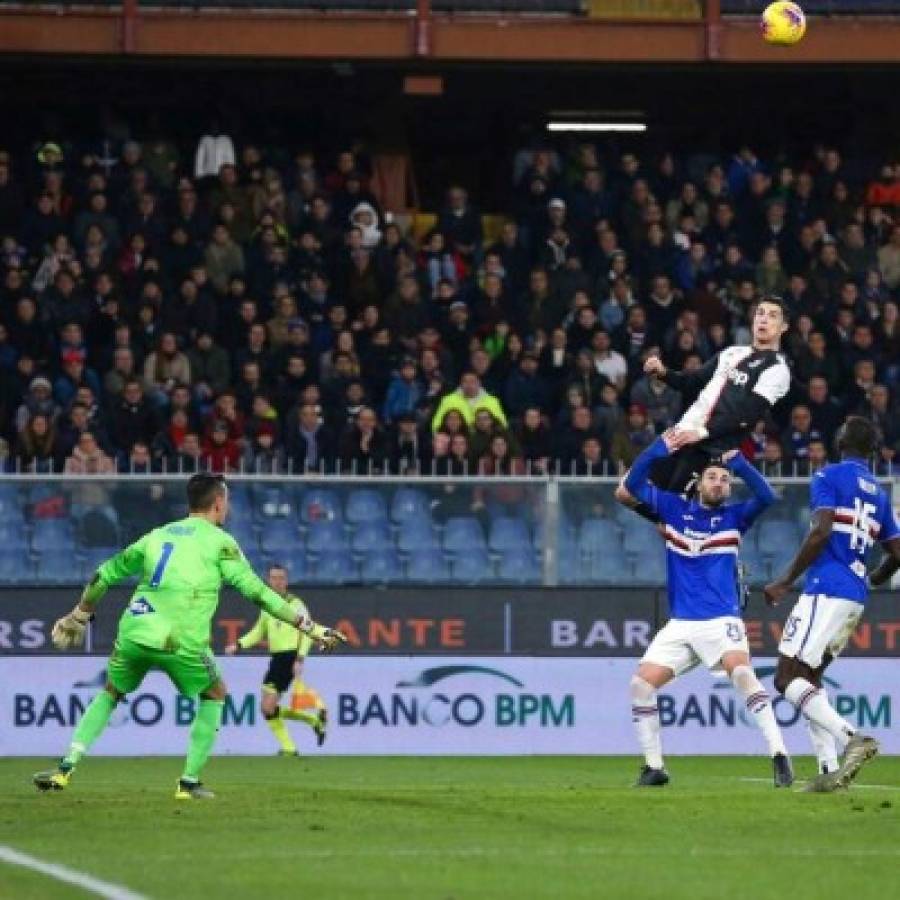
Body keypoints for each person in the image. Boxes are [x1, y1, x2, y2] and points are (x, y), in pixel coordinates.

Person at [34, 473, 346, 800]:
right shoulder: (220, 542)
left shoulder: (158, 535)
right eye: (226, 503)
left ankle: (65, 767)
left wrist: (80, 614)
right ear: (218, 503)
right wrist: (311, 628)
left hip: (135, 630)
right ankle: (189, 782)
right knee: (215, 693)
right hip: (179, 638)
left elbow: (103, 575)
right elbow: (259, 594)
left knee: (111, 692)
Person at [617, 432, 792, 788]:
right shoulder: (671, 508)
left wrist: (738, 462)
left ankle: (779, 755)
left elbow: (767, 496)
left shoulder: (735, 518)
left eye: (725, 480)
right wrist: (661, 448)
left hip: (720, 620)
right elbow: (632, 484)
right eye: (713, 477)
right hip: (681, 623)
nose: (720, 483)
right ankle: (654, 767)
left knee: (743, 676)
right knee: (640, 685)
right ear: (697, 484)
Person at [764, 417, 900, 792]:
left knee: (785, 677)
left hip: (826, 589)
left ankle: (852, 738)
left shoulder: (828, 477)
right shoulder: (879, 493)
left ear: (841, 440)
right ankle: (828, 769)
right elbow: (897, 552)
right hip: (855, 594)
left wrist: (785, 580)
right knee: (810, 679)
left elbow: (821, 530)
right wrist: (875, 577)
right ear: (872, 451)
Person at [627, 297, 790, 518]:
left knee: (674, 516)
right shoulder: (731, 352)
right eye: (760, 313)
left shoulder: (777, 369)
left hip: (709, 447)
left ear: (783, 327)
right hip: (680, 434)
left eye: (772, 316)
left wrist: (702, 433)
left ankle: (693, 545)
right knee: (625, 493)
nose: (763, 319)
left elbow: (746, 415)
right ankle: (675, 534)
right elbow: (691, 382)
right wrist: (663, 373)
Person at [225, 564, 327, 756]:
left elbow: (308, 631)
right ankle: (312, 722)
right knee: (267, 709)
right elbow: (258, 632)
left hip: (289, 657)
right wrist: (238, 645)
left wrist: (300, 658)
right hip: (276, 659)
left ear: (286, 581)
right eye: (273, 578)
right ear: (268, 581)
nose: (277, 581)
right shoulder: (267, 606)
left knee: (267, 707)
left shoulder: (296, 604)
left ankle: (290, 747)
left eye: (281, 578)